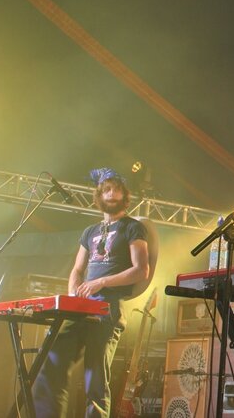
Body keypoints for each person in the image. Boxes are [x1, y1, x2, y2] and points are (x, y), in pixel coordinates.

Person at [32, 168, 149, 418]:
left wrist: (101, 282)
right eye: (107, 189)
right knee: (51, 363)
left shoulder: (133, 227)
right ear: (99, 195)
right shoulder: (89, 231)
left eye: (116, 189)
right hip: (81, 308)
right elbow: (77, 269)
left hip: (108, 308)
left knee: (94, 380)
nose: (111, 193)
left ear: (124, 195)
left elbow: (141, 271)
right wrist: (73, 295)